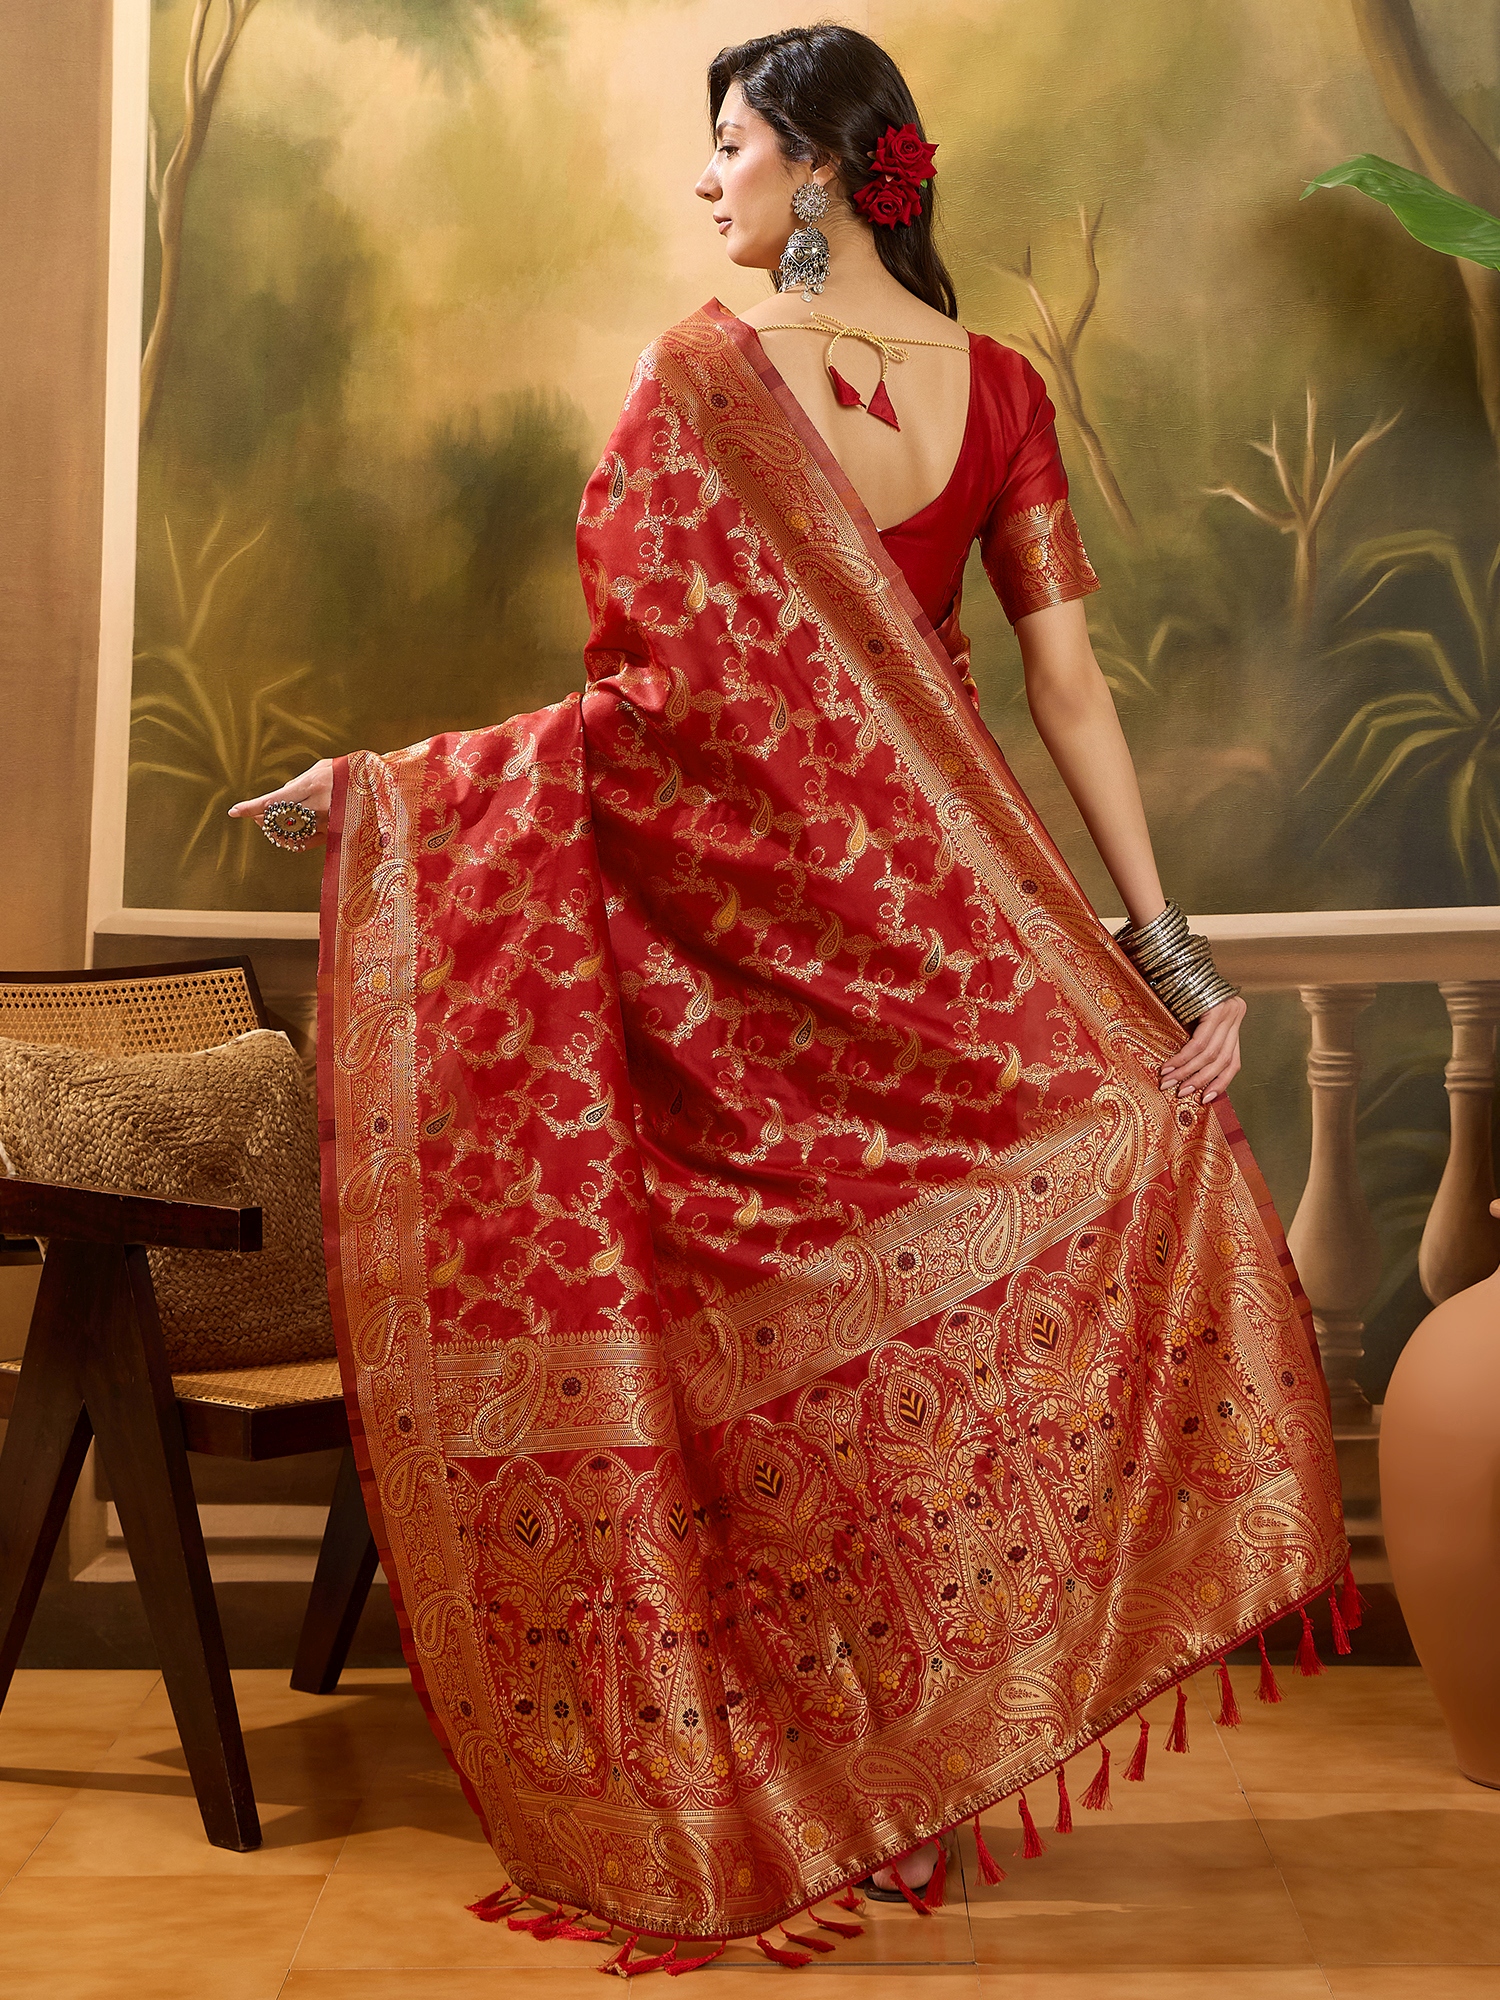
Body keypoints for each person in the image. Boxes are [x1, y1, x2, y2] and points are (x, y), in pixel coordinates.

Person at [232, 24, 1344, 1948]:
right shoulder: (1000, 388)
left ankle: (857, 1767)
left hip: (755, 956)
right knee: (921, 1325)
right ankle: (908, 1768)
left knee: (772, 1346)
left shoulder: (704, 376)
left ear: (823, 167)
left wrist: (396, 795)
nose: (708, 180)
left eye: (733, 143)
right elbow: (1066, 690)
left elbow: (648, 711)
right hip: (957, 940)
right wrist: (1161, 955)